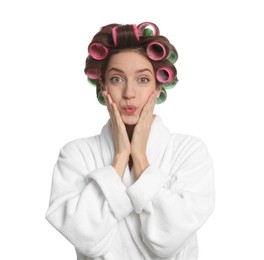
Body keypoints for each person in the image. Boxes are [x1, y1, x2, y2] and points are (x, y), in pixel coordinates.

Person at [46, 22, 215, 260]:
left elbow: (169, 240)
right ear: (102, 85)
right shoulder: (76, 154)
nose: (129, 93)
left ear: (158, 85)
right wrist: (119, 158)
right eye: (117, 79)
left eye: (143, 80)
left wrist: (140, 158)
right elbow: (85, 238)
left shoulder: (189, 151)